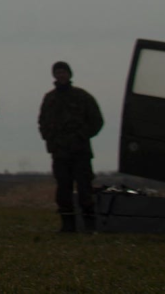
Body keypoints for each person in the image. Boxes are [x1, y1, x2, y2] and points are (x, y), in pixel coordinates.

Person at [37, 61, 103, 233]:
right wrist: (50, 140)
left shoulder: (82, 96)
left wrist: (81, 136)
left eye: (63, 72)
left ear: (69, 74)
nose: (61, 75)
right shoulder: (50, 99)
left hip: (80, 152)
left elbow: (97, 121)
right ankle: (67, 226)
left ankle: (90, 226)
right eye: (58, 72)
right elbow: (42, 122)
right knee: (63, 192)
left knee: (85, 191)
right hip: (59, 153)